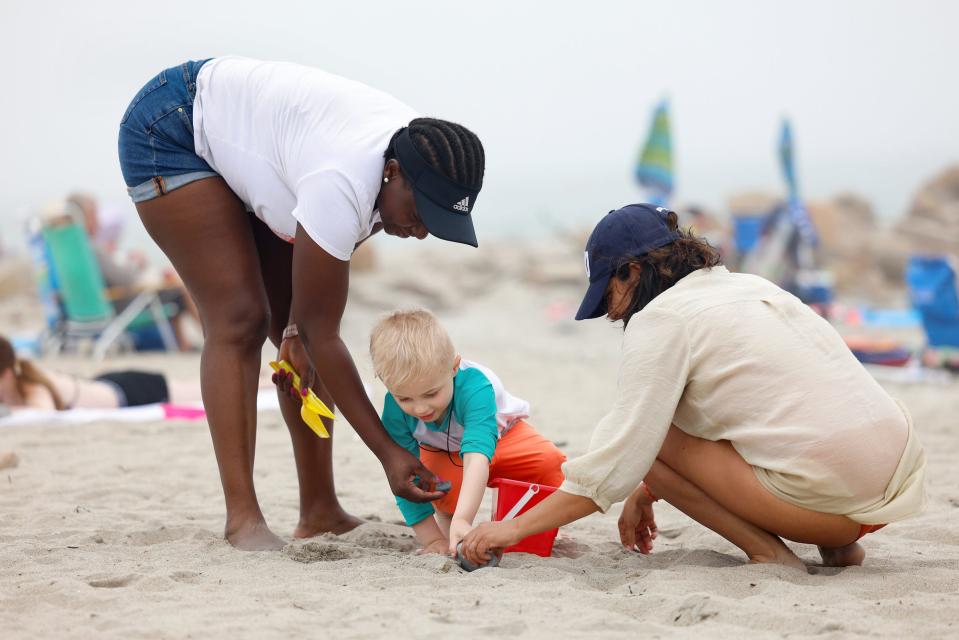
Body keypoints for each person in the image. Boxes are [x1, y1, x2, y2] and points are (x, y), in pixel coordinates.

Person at [117, 57, 486, 550]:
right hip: (172, 127)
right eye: (419, 215)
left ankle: (319, 510)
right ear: (393, 173)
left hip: (266, 153)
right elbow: (324, 326)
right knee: (241, 320)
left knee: (301, 341)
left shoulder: (418, 156)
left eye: (435, 225)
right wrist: (390, 453)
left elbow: (319, 290)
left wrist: (296, 331)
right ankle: (242, 519)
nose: (419, 232)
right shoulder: (346, 178)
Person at [461, 203, 926, 570]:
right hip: (895, 476)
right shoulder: (747, 285)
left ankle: (770, 553)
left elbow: (613, 466)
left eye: (607, 292)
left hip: (832, 505)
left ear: (633, 272)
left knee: (653, 439)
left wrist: (510, 530)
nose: (609, 311)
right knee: (755, 416)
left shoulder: (660, 320)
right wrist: (646, 492)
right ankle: (839, 551)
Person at [369, 309, 566, 555]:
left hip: (504, 437)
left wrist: (465, 518)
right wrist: (431, 540)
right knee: (433, 483)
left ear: (454, 367)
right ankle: (447, 532)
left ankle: (539, 527)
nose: (420, 408)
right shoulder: (394, 411)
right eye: (404, 398)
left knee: (551, 463)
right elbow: (404, 477)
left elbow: (476, 456)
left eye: (431, 393)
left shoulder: (476, 387)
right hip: (443, 450)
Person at [66, 192, 200, 351]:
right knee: (179, 291)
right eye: (94, 214)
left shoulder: (73, 250)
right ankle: (205, 336)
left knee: (172, 294)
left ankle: (182, 344)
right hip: (123, 304)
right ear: (83, 217)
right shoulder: (91, 247)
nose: (98, 221)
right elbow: (125, 278)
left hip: (103, 304)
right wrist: (136, 264)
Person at [0, 334, 202, 409]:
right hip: (108, 386)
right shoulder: (13, 388)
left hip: (129, 391)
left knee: (200, 391)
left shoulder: (32, 386)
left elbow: (41, 414)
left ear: (7, 374)